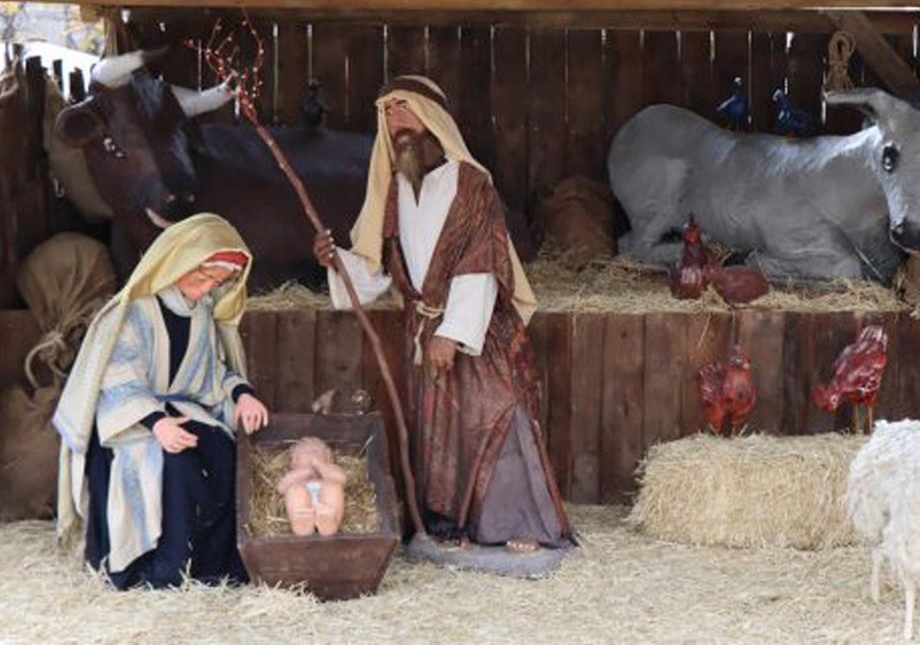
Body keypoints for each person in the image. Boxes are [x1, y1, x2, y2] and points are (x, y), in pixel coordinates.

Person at [314, 75, 571, 553]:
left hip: (477, 335)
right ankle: (452, 528)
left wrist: (451, 334)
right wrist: (338, 262)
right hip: (424, 330)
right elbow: (380, 273)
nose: (396, 125)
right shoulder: (395, 192)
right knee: (441, 434)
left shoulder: (472, 184)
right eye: (388, 116)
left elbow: (480, 261)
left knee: (495, 416)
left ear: (434, 120)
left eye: (404, 111)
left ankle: (518, 525)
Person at [53, 213, 268, 589]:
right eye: (201, 279)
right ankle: (162, 572)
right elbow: (118, 380)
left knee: (222, 451)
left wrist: (242, 394)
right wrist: (158, 424)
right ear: (177, 264)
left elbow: (210, 375)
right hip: (129, 420)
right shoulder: (134, 311)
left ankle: (212, 568)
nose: (205, 291)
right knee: (176, 463)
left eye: (215, 283)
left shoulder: (199, 313)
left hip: (179, 410)